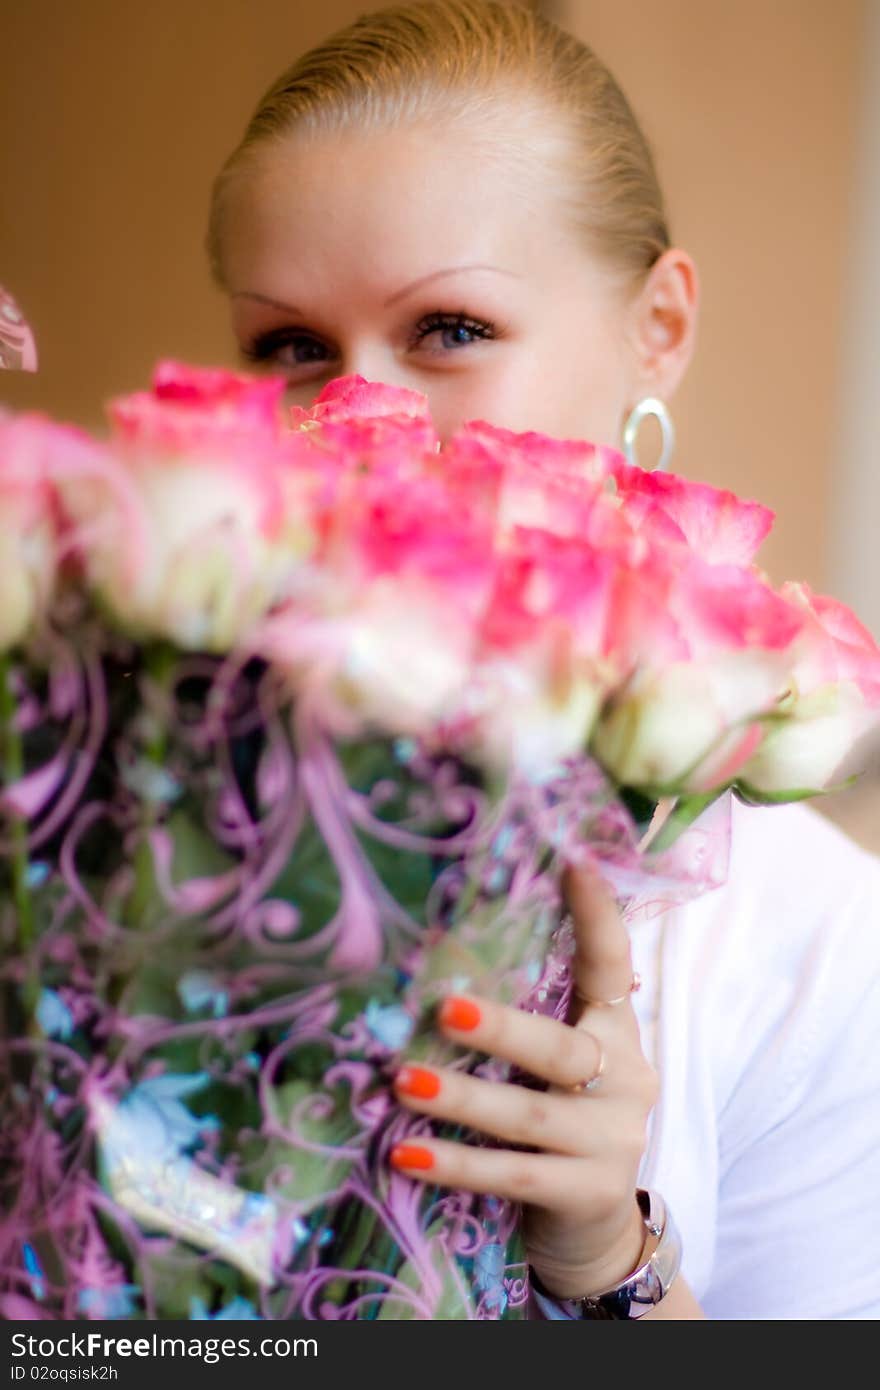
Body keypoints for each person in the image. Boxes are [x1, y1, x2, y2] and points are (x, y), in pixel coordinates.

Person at [204, 0, 880, 1319]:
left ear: (660, 328)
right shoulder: (108, 811)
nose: (359, 419)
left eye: (447, 328)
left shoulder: (813, 943)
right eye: (290, 346)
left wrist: (606, 1258)